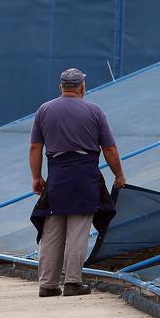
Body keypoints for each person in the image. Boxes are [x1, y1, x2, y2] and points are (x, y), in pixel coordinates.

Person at [29, 68, 126, 298]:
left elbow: (35, 148)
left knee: (51, 230)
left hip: (57, 175)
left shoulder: (44, 110)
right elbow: (109, 148)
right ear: (82, 87)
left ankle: (48, 285)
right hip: (84, 175)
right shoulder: (94, 111)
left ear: (61, 87)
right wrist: (119, 175)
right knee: (77, 231)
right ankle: (73, 282)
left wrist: (36, 176)